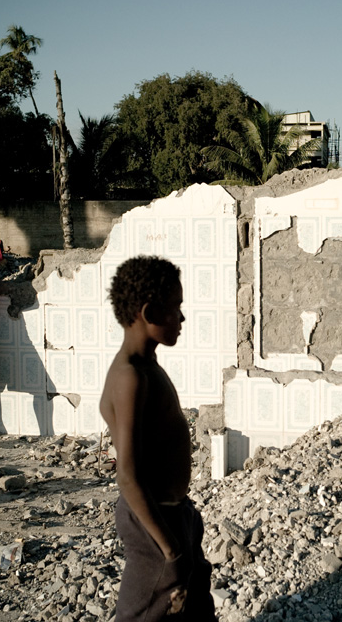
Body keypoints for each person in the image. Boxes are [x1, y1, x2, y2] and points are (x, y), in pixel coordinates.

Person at [100, 256, 216, 622]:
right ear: (149, 312)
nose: (182, 319)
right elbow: (128, 477)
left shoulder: (147, 366)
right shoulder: (130, 377)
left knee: (193, 602)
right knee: (146, 611)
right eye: (176, 308)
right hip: (153, 523)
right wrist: (168, 548)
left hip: (173, 513)